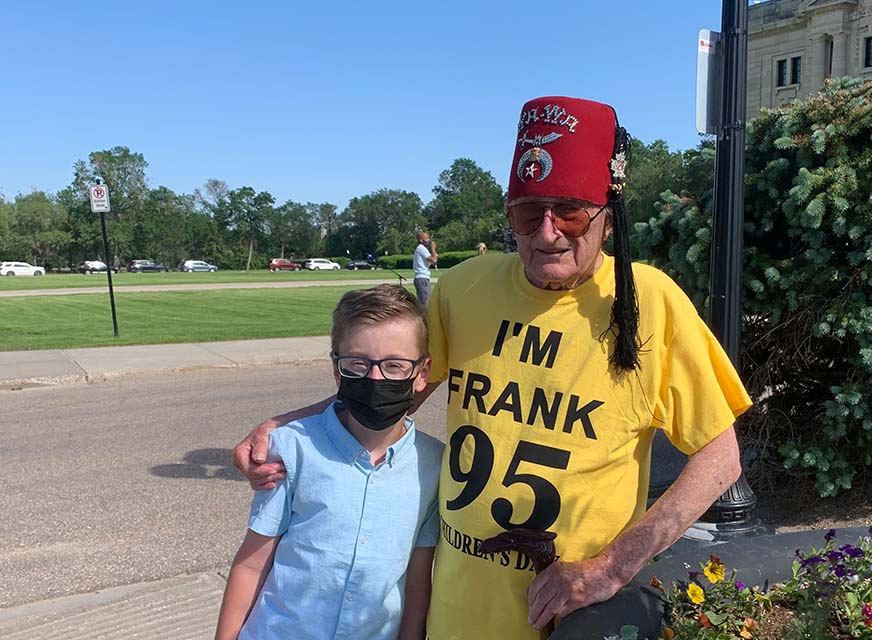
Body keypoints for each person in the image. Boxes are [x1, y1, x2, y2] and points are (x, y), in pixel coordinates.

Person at [234, 96, 751, 640]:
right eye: (529, 213)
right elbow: (394, 387)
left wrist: (611, 568)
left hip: (566, 619)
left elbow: (720, 458)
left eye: (570, 212)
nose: (547, 233)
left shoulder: (650, 302)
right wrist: (290, 424)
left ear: (607, 213)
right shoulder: (465, 287)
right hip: (454, 610)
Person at [216, 284, 443, 640]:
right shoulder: (292, 450)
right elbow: (252, 563)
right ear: (337, 371)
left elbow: (416, 583)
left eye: (395, 366)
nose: (375, 378)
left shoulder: (431, 465)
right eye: (358, 364)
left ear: (422, 374)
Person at [412, 231, 437, 307]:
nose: (428, 240)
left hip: (423, 278)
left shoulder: (423, 249)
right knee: (425, 302)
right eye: (426, 238)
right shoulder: (421, 248)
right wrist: (433, 249)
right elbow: (434, 260)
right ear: (421, 240)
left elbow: (433, 263)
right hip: (422, 278)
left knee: (424, 301)